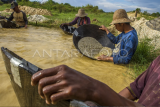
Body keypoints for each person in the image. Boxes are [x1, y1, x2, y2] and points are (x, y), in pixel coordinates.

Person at [31, 55, 160, 106]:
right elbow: (133, 90)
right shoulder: (158, 61)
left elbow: (124, 58)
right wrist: (103, 102)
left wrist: (96, 90)